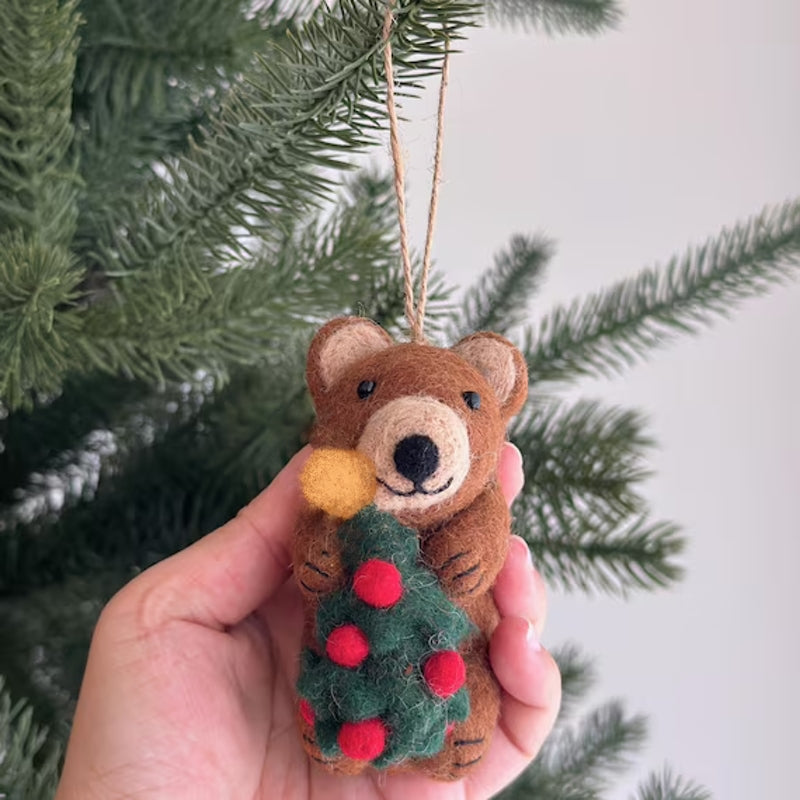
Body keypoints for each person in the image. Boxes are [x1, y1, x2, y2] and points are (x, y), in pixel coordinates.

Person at [55, 444, 561, 799]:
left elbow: (484, 537)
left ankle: (432, 727)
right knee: (334, 690)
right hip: (346, 652)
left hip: (451, 659)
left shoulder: (478, 499)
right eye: (366, 391)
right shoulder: (338, 496)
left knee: (469, 680)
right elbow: (316, 546)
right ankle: (339, 737)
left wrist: (470, 552)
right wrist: (323, 558)